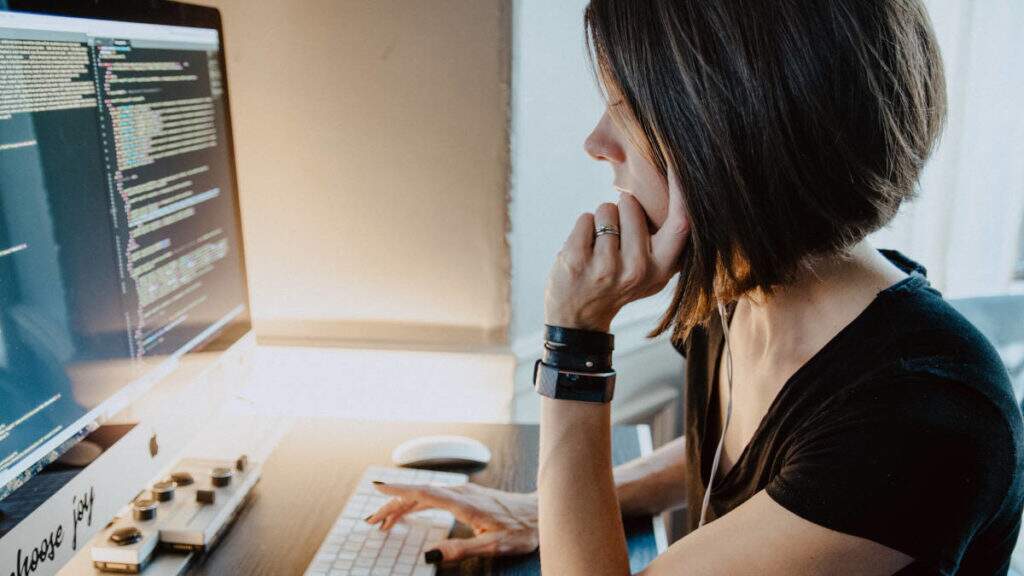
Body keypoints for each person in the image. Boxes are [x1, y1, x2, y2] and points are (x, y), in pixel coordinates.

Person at [366, 0, 1024, 574]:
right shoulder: (742, 290)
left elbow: (841, 459)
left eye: (626, 111)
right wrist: (543, 510)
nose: (597, 142)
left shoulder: (921, 418)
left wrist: (575, 342)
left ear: (733, 136)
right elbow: (774, 458)